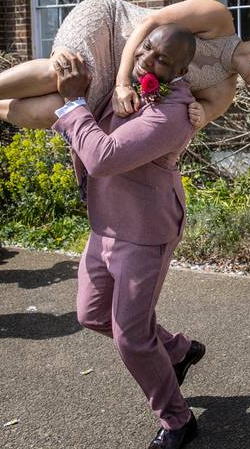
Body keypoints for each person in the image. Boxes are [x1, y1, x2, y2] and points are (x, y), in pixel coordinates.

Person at [55, 24, 206, 449]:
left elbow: (103, 157)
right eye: (147, 49)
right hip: (104, 224)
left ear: (181, 70)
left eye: (161, 59)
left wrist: (73, 105)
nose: (147, 60)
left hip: (145, 231)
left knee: (132, 337)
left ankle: (178, 420)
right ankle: (177, 350)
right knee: (90, 314)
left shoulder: (174, 111)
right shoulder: (128, 84)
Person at [0, 0, 250, 139]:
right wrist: (122, 81)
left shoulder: (225, 90)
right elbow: (149, 24)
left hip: (126, 78)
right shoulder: (218, 18)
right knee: (70, 71)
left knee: (51, 111)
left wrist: (196, 112)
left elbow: (196, 118)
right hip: (112, 28)